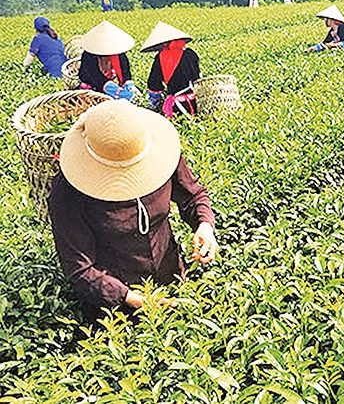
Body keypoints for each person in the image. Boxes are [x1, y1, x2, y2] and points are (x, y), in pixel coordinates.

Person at [48, 99, 218, 322]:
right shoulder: (68, 191)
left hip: (171, 276)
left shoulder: (161, 151)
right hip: (117, 307)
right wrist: (133, 299)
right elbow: (79, 269)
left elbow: (193, 195)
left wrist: (204, 226)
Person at [141, 22, 200, 116]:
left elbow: (154, 83)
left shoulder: (161, 57)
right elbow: (196, 77)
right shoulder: (191, 53)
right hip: (195, 101)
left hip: (175, 104)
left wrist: (156, 99)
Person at [78, 21, 139, 101]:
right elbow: (96, 77)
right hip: (91, 89)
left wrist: (129, 85)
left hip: (110, 87)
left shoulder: (119, 54)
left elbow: (125, 73)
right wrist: (114, 90)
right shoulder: (88, 56)